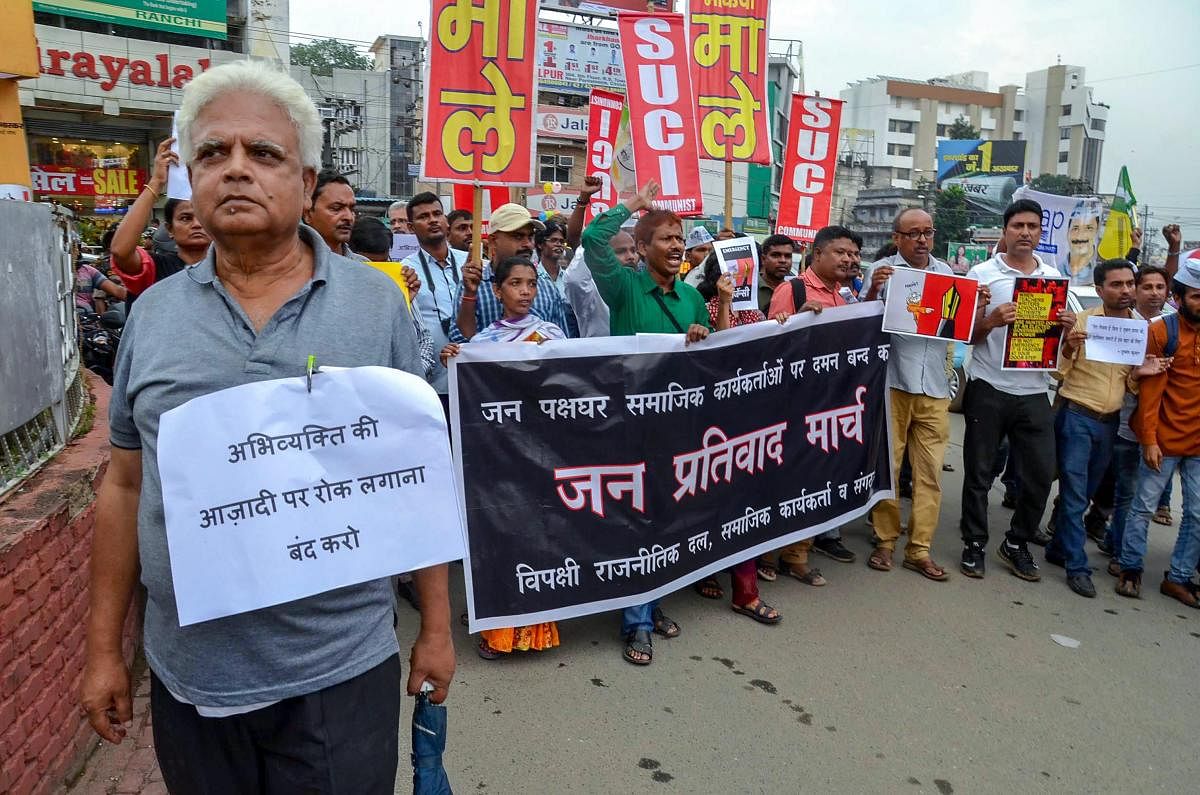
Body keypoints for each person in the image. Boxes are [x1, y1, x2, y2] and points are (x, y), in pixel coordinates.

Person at [80, 60, 454, 793]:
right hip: (191, 678)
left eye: (265, 153)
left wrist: (436, 628)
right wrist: (102, 651)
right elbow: (125, 484)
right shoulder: (152, 314)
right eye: (214, 153)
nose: (236, 170)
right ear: (190, 176)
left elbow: (416, 476)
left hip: (341, 669)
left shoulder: (375, 307)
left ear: (307, 182)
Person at [580, 179, 710, 665]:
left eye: (681, 239)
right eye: (666, 239)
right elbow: (593, 241)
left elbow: (714, 356)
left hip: (679, 427)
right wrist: (633, 204)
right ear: (641, 247)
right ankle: (637, 621)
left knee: (666, 520)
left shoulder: (692, 300)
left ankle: (651, 602)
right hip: (631, 424)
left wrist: (703, 332)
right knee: (638, 523)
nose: (677, 247)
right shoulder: (625, 286)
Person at [440, 256, 566, 656]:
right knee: (498, 537)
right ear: (498, 290)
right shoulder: (482, 345)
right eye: (515, 284)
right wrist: (455, 360)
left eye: (530, 283)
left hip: (541, 453)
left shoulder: (552, 336)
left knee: (537, 538)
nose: (525, 291)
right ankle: (496, 625)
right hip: (498, 457)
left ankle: (535, 626)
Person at [959, 199, 1076, 581]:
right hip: (989, 386)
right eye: (1018, 226)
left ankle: (1016, 542)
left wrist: (1069, 327)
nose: (1025, 232)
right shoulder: (982, 274)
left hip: (1034, 391)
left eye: (1033, 226)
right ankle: (974, 543)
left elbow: (1068, 345)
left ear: (1041, 233)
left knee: (1041, 473)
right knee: (979, 472)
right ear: (1005, 230)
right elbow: (966, 334)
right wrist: (990, 320)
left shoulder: (1053, 277)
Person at [866, 209, 986, 582]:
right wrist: (873, 291)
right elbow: (861, 321)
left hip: (934, 385)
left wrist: (976, 305)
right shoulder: (882, 271)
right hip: (893, 382)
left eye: (927, 233)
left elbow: (958, 328)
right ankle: (885, 541)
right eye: (913, 233)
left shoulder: (948, 275)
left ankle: (919, 549)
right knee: (889, 466)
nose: (921, 240)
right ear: (897, 236)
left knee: (930, 472)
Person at [1046, 260, 1164, 598]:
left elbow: (1130, 385)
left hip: (1110, 422)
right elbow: (1056, 373)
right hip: (1076, 417)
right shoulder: (1082, 322)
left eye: (1129, 283)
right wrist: (1069, 346)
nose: (1125, 290)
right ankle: (1077, 566)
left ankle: (1058, 548)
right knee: (1074, 492)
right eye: (1116, 284)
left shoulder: (1141, 330)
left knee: (1087, 493)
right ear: (1100, 290)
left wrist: (1141, 374)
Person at [758, 226, 861, 584]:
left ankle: (798, 553)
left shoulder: (846, 296)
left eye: (853, 254)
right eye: (841, 252)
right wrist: (800, 318)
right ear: (817, 254)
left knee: (816, 479)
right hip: (792, 403)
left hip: (828, 406)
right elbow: (772, 346)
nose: (849, 259)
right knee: (783, 480)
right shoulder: (793, 289)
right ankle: (767, 553)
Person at [1117, 257, 1200, 606]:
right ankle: (1130, 568)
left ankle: (1178, 577)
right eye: (1196, 296)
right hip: (1162, 442)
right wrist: (1149, 440)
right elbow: (1150, 395)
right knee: (1142, 508)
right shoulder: (1161, 332)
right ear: (1179, 297)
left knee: (1198, 514)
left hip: (1198, 445)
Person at [1104, 266, 1170, 575]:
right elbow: (1112, 372)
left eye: (1161, 287)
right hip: (1118, 419)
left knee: (1136, 494)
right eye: (1147, 287)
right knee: (1117, 490)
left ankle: (1118, 547)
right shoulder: (1121, 324)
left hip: (1158, 428)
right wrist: (1138, 371)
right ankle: (1115, 548)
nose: (1154, 293)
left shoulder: (1173, 326)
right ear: (1136, 291)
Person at [449, 204, 573, 344]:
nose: (528, 244)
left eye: (530, 237)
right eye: (518, 236)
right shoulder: (473, 285)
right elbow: (461, 345)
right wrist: (469, 295)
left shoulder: (547, 288)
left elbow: (562, 347)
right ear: (493, 241)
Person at [109, 138, 211, 303]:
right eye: (186, 218)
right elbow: (121, 251)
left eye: (203, 217)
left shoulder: (228, 274)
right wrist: (156, 182)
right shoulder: (155, 269)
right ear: (170, 229)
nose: (197, 224)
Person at [400, 192, 468, 406]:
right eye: (423, 216)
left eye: (437, 213)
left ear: (446, 220)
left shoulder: (472, 263)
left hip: (474, 377)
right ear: (411, 228)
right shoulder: (404, 271)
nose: (432, 220)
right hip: (433, 382)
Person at [758, 233, 796, 315]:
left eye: (788, 256)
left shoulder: (795, 290)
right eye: (775, 255)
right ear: (763, 259)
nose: (783, 260)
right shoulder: (749, 288)